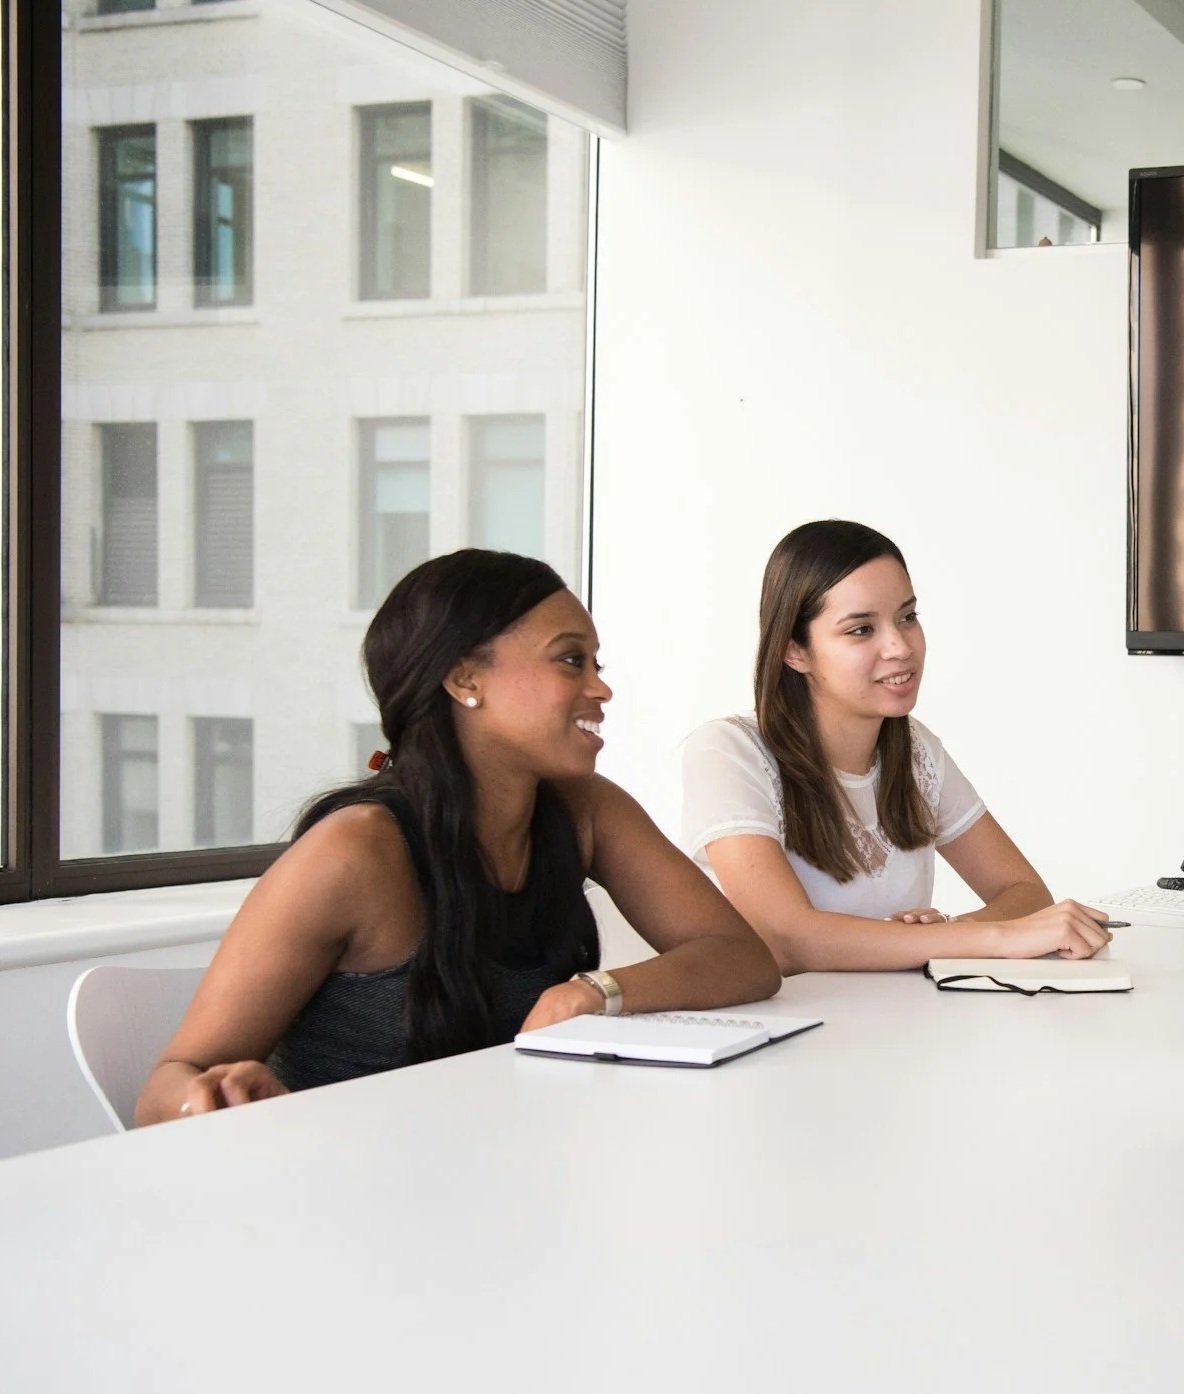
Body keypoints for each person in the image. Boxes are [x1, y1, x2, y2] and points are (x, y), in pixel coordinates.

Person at [136, 550, 779, 1124]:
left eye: (595, 662)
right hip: (350, 1200)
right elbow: (165, 1090)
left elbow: (741, 958)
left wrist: (593, 991)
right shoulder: (354, 852)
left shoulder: (586, 811)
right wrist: (212, 1098)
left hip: (500, 1171)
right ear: (465, 679)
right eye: (569, 659)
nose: (600, 687)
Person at [680, 519, 1112, 973]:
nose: (900, 647)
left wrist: (941, 935)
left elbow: (1024, 892)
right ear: (795, 651)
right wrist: (973, 938)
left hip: (897, 1027)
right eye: (861, 630)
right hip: (782, 1034)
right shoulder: (728, 751)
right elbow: (788, 939)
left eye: (907, 617)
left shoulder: (915, 748)